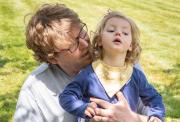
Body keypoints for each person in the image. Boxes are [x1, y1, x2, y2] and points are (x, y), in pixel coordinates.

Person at [14, 3, 152, 122]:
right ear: (52, 58)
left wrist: (132, 118)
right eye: (73, 45)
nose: (85, 44)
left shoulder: (121, 60)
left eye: (82, 32)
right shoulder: (35, 89)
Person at [59, 11, 165, 122]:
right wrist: (81, 108)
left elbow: (154, 98)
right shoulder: (89, 74)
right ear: (99, 40)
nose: (118, 33)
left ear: (131, 46)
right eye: (111, 30)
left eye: (125, 33)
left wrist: (156, 116)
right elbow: (66, 96)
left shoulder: (136, 76)